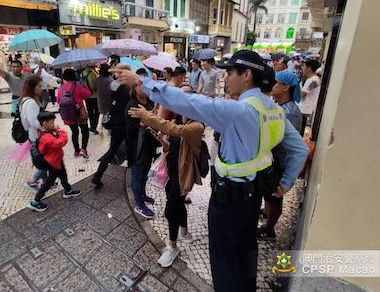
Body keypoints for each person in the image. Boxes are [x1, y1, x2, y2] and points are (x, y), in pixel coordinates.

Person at [112, 50, 309, 292]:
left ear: (246, 75)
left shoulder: (239, 111)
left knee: (224, 260)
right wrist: (286, 183)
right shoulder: (274, 110)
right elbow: (299, 148)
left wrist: (141, 82)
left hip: (229, 200)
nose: (225, 78)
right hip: (252, 197)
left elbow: (190, 102)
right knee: (245, 253)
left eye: (229, 72)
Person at [129, 83, 204, 267]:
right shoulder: (181, 120)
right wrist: (163, 142)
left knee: (170, 210)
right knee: (177, 204)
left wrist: (146, 116)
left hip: (184, 176)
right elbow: (174, 143)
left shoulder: (197, 126)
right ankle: (184, 233)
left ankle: (172, 247)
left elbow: (176, 131)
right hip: (172, 173)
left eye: (186, 96)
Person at [255, 70, 304, 240]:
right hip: (274, 159)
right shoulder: (282, 107)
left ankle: (269, 229)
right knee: (269, 194)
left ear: (286, 87)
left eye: (275, 83)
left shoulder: (289, 111)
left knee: (276, 196)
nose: (271, 86)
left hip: (280, 162)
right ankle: (267, 212)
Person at [28, 111, 81, 212]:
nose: (54, 124)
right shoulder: (46, 137)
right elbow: (61, 142)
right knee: (49, 182)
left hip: (56, 160)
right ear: (44, 123)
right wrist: (60, 131)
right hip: (52, 162)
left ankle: (68, 191)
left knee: (63, 175)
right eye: (52, 122)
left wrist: (55, 131)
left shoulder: (45, 132)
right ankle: (35, 201)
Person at [91, 64, 131, 188]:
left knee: (112, 151)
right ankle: (132, 179)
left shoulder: (112, 85)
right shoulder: (127, 89)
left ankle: (97, 175)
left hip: (114, 123)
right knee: (132, 150)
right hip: (126, 124)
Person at [125, 76, 157, 219]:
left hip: (148, 145)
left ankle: (142, 195)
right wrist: (143, 124)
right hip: (136, 147)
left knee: (144, 174)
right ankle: (139, 204)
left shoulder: (150, 102)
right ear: (134, 88)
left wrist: (154, 116)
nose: (143, 89)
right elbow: (129, 130)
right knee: (137, 176)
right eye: (140, 86)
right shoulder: (132, 104)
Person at [19, 75, 46, 190]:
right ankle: (32, 182)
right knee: (45, 162)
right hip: (37, 136)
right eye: (39, 86)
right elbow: (34, 121)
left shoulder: (26, 100)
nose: (41, 88)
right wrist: (47, 129)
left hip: (33, 135)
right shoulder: (31, 103)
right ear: (33, 88)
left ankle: (46, 182)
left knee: (43, 160)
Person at [57, 69, 91, 158]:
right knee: (85, 131)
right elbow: (88, 95)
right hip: (80, 113)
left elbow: (58, 100)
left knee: (74, 132)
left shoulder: (61, 88)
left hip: (69, 114)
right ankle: (83, 150)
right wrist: (85, 86)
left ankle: (76, 151)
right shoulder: (78, 86)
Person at [298, 59, 321, 129]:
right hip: (303, 108)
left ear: (309, 68)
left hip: (305, 109)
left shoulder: (314, 80)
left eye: (304, 67)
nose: (302, 69)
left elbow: (302, 94)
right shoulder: (309, 79)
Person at [81, 65, 100, 134]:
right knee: (97, 112)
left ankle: (92, 125)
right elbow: (93, 86)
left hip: (86, 96)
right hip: (94, 96)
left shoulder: (83, 73)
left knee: (90, 111)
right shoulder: (92, 73)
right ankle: (94, 127)